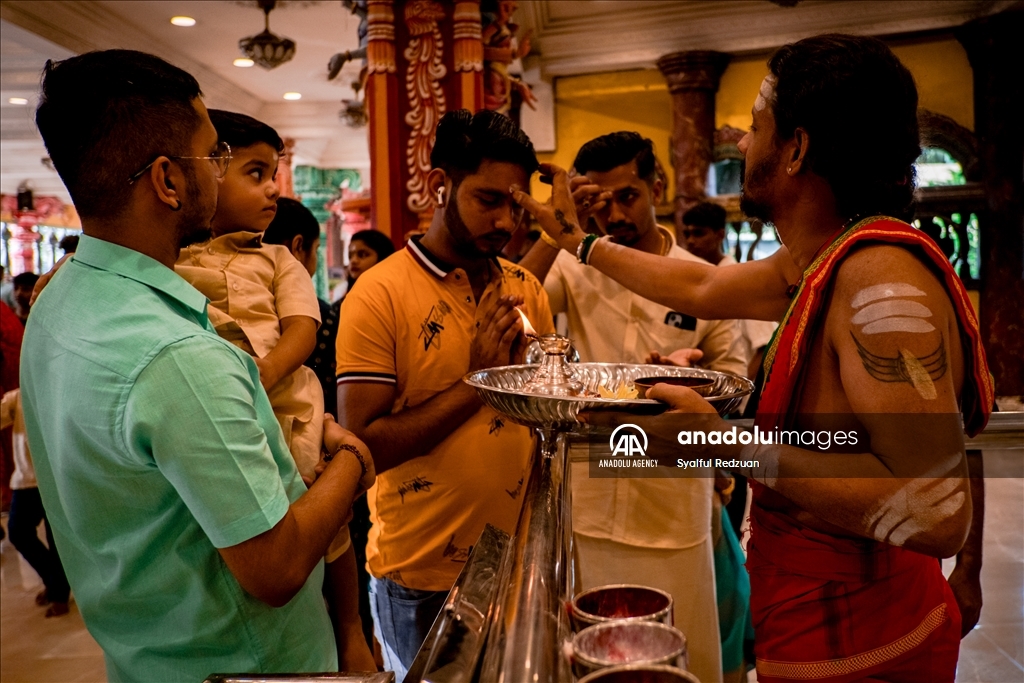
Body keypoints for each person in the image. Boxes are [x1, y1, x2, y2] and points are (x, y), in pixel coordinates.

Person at [513, 34, 992, 683]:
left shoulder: (879, 277)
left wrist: (721, 443)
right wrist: (577, 241)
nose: (741, 143)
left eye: (757, 127)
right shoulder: (820, 261)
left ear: (795, 147)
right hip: (817, 623)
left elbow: (938, 511)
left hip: (870, 640)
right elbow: (700, 286)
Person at [22, 49, 374, 682]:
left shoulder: (58, 304)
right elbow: (277, 567)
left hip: (144, 655)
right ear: (168, 180)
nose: (223, 173)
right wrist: (350, 457)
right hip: (249, 664)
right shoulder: (181, 359)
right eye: (215, 156)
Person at [518, 132, 745, 683]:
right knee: (596, 651)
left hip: (674, 490)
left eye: (628, 196)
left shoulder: (699, 278)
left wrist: (688, 375)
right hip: (590, 492)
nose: (616, 213)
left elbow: (736, 380)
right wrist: (560, 229)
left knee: (680, 646)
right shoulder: (574, 265)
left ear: (656, 187)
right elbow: (517, 300)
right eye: (602, 201)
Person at [336, 108, 553, 680]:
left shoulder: (525, 287)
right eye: (488, 200)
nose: (506, 221)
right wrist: (479, 381)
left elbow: (541, 414)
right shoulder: (377, 294)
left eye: (517, 205)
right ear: (440, 186)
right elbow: (362, 447)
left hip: (520, 557)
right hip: (423, 576)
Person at [175, 110, 325, 486]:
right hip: (211, 408)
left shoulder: (278, 259)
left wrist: (270, 369)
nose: (274, 188)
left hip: (283, 401)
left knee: (311, 515)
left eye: (273, 175)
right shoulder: (170, 255)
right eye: (256, 174)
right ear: (208, 173)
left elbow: (302, 327)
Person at [262, 197, 376, 670]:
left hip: (302, 448)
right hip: (315, 455)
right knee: (337, 546)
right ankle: (352, 633)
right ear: (298, 249)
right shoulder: (317, 316)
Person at [681, 201, 778, 382]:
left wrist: (740, 393)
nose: (690, 241)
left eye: (698, 233)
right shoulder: (691, 283)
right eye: (686, 234)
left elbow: (764, 347)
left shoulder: (743, 282)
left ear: (720, 235)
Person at [2, 386, 71, 617]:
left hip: (57, 476)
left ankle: (58, 592)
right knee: (18, 532)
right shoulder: (18, 396)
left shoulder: (59, 389)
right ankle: (56, 583)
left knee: (57, 538)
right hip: (28, 480)